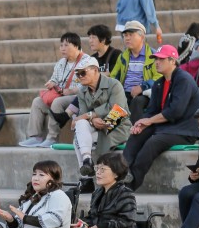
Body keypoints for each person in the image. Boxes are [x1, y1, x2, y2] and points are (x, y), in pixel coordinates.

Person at [123, 45, 199, 192]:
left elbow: (175, 111)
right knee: (137, 133)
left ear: (173, 61)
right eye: (155, 59)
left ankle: (129, 185)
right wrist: (142, 123)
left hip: (184, 130)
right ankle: (124, 170)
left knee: (153, 142)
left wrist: (150, 121)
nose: (157, 62)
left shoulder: (183, 79)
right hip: (166, 126)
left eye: (161, 59)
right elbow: (152, 110)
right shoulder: (159, 83)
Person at [72, 55, 130, 188]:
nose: (80, 76)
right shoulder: (82, 91)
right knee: (80, 128)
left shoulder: (113, 84)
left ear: (95, 70)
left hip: (117, 125)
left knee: (78, 139)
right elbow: (83, 117)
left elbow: (116, 110)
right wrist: (91, 120)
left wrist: (91, 114)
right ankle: (87, 161)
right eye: (78, 74)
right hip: (96, 127)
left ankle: (86, 179)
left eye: (83, 72)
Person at [19, 33, 87, 148]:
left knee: (57, 102)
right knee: (37, 102)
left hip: (77, 97)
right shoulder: (61, 63)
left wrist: (70, 91)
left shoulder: (86, 61)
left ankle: (52, 138)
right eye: (61, 45)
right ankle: (34, 137)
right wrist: (52, 83)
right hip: (60, 94)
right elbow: (54, 78)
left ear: (76, 46)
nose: (62, 48)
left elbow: (87, 84)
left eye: (66, 45)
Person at [109, 20, 159, 123]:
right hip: (125, 92)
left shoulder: (153, 55)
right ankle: (110, 130)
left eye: (131, 35)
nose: (127, 38)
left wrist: (142, 87)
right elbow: (113, 76)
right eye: (125, 35)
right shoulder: (123, 56)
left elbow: (158, 77)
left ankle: (134, 133)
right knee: (119, 103)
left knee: (137, 101)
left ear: (142, 36)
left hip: (146, 93)